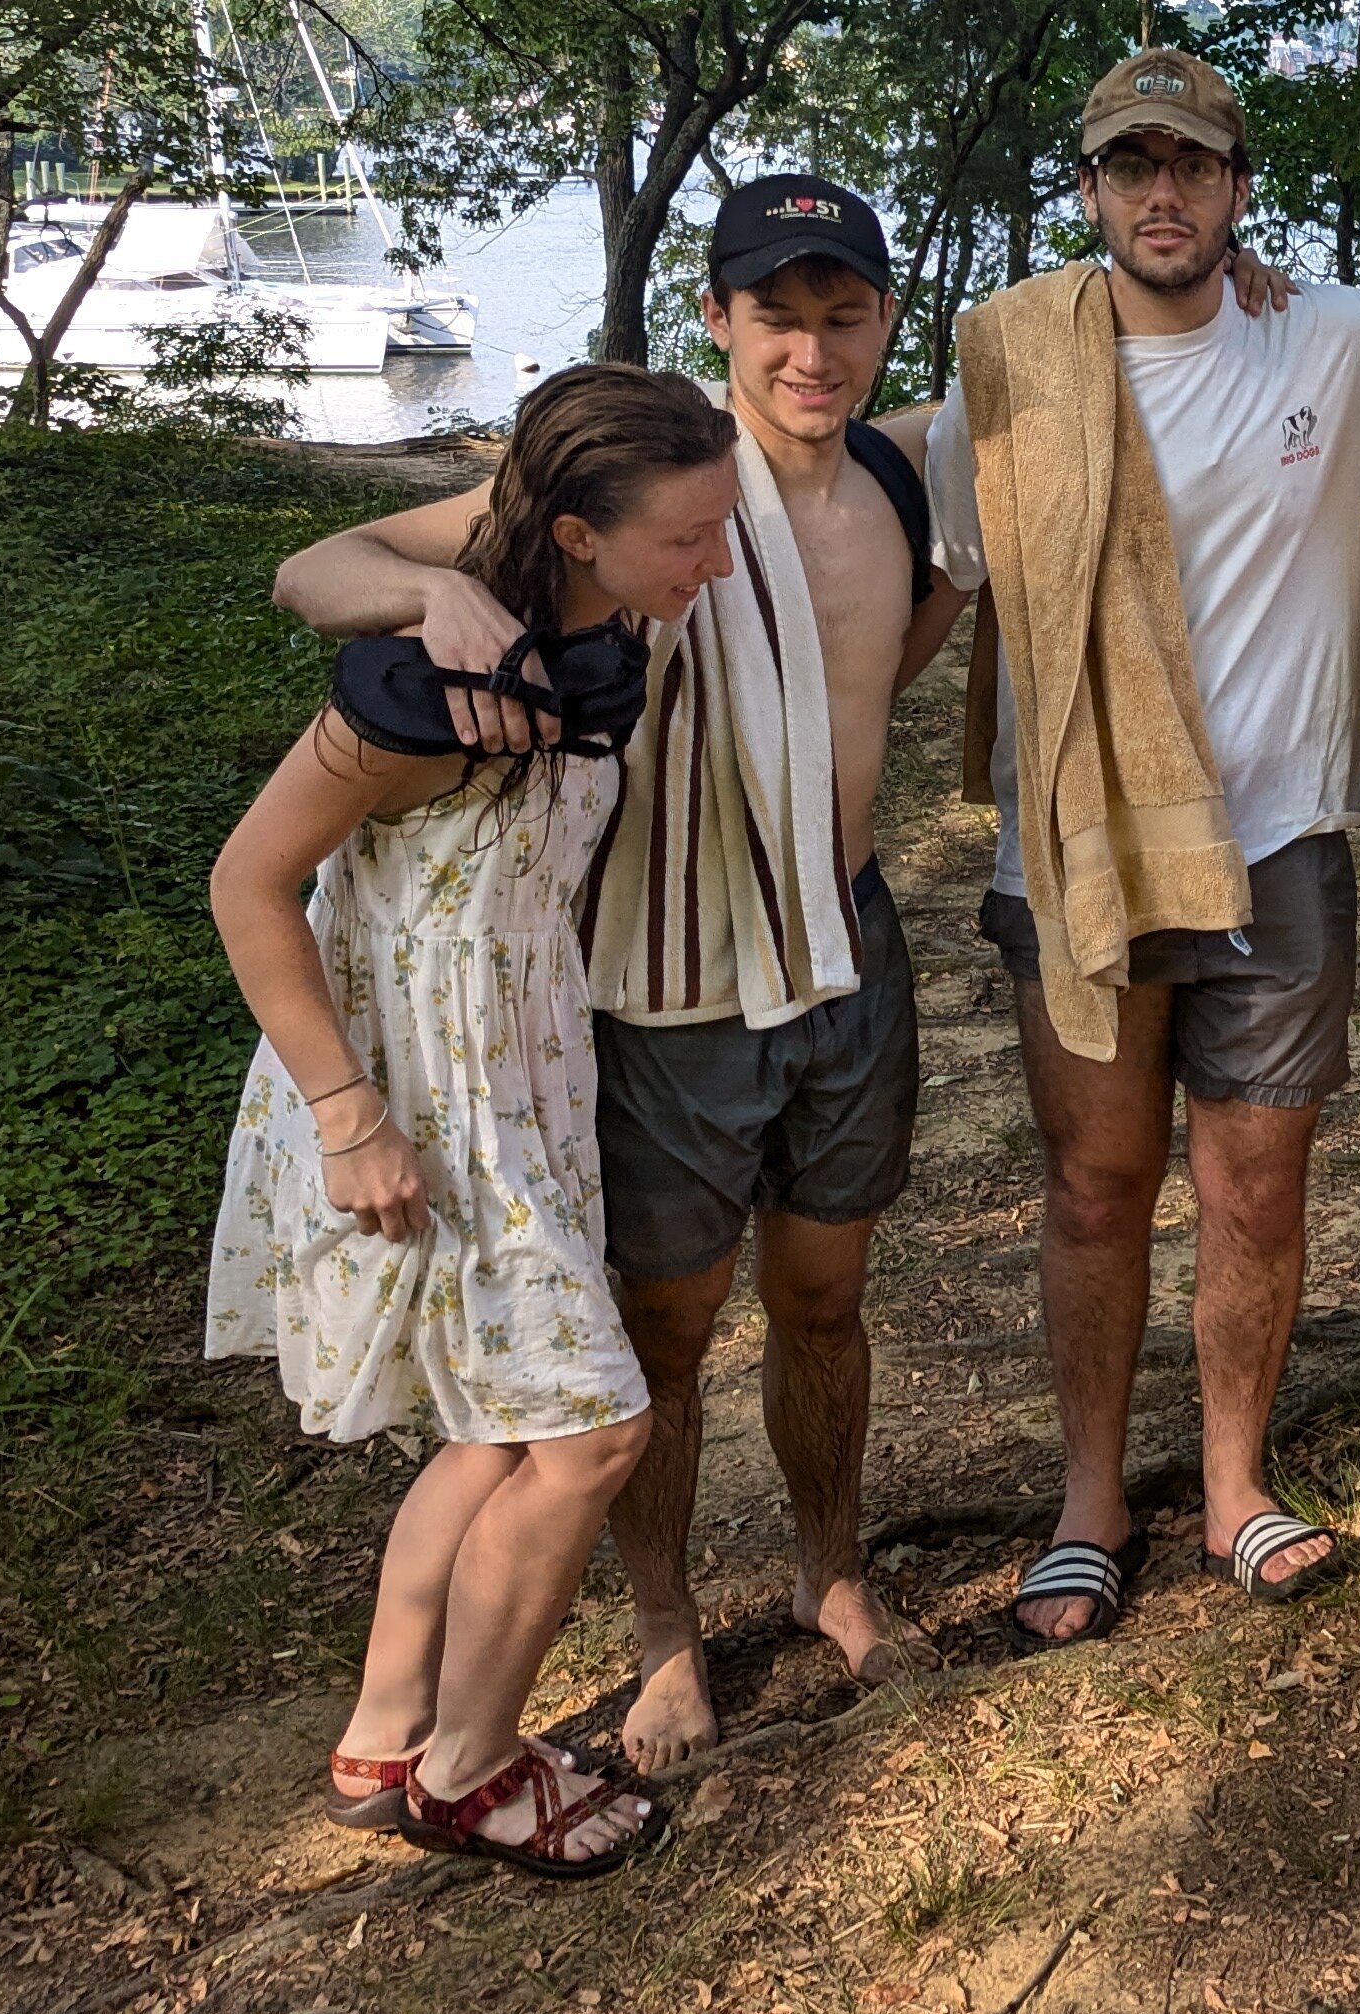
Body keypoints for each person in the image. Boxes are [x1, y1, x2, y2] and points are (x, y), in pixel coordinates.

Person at [277, 181, 967, 1774]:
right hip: (662, 991)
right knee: (664, 1332)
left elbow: (910, 627)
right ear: (717, 320)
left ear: (883, 319)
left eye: (843, 313)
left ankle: (832, 1574)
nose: (812, 347)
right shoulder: (627, 492)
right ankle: (663, 1634)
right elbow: (317, 566)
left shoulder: (894, 473)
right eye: (776, 314)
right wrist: (431, 587)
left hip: (846, 953)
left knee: (826, 1299)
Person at [930, 44, 1360, 1641]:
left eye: (1196, 166)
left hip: (1277, 844)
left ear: (1241, 191)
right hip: (1081, 854)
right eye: (1131, 167)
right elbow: (949, 568)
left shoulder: (1339, 336)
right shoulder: (1008, 371)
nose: (1164, 193)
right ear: (1089, 191)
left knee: (1254, 1191)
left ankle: (1233, 1482)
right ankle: (1090, 1498)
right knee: (1096, 1189)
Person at [208, 363, 742, 1877]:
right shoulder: (423, 710)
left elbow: (334, 558)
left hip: (529, 1070)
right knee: (591, 1432)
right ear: (576, 532)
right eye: (689, 540)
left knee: (498, 1426)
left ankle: (386, 1735)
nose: (715, 562)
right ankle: (470, 1768)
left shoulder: (572, 615)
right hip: (421, 1099)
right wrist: (348, 1114)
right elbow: (250, 887)